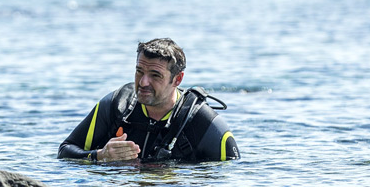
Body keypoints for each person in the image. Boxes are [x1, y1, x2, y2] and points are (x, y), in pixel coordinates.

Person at [58, 38, 239, 162]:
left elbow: (230, 185)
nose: (143, 82)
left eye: (155, 75)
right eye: (139, 72)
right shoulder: (117, 105)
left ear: (177, 79)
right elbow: (65, 151)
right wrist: (99, 156)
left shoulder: (206, 124)